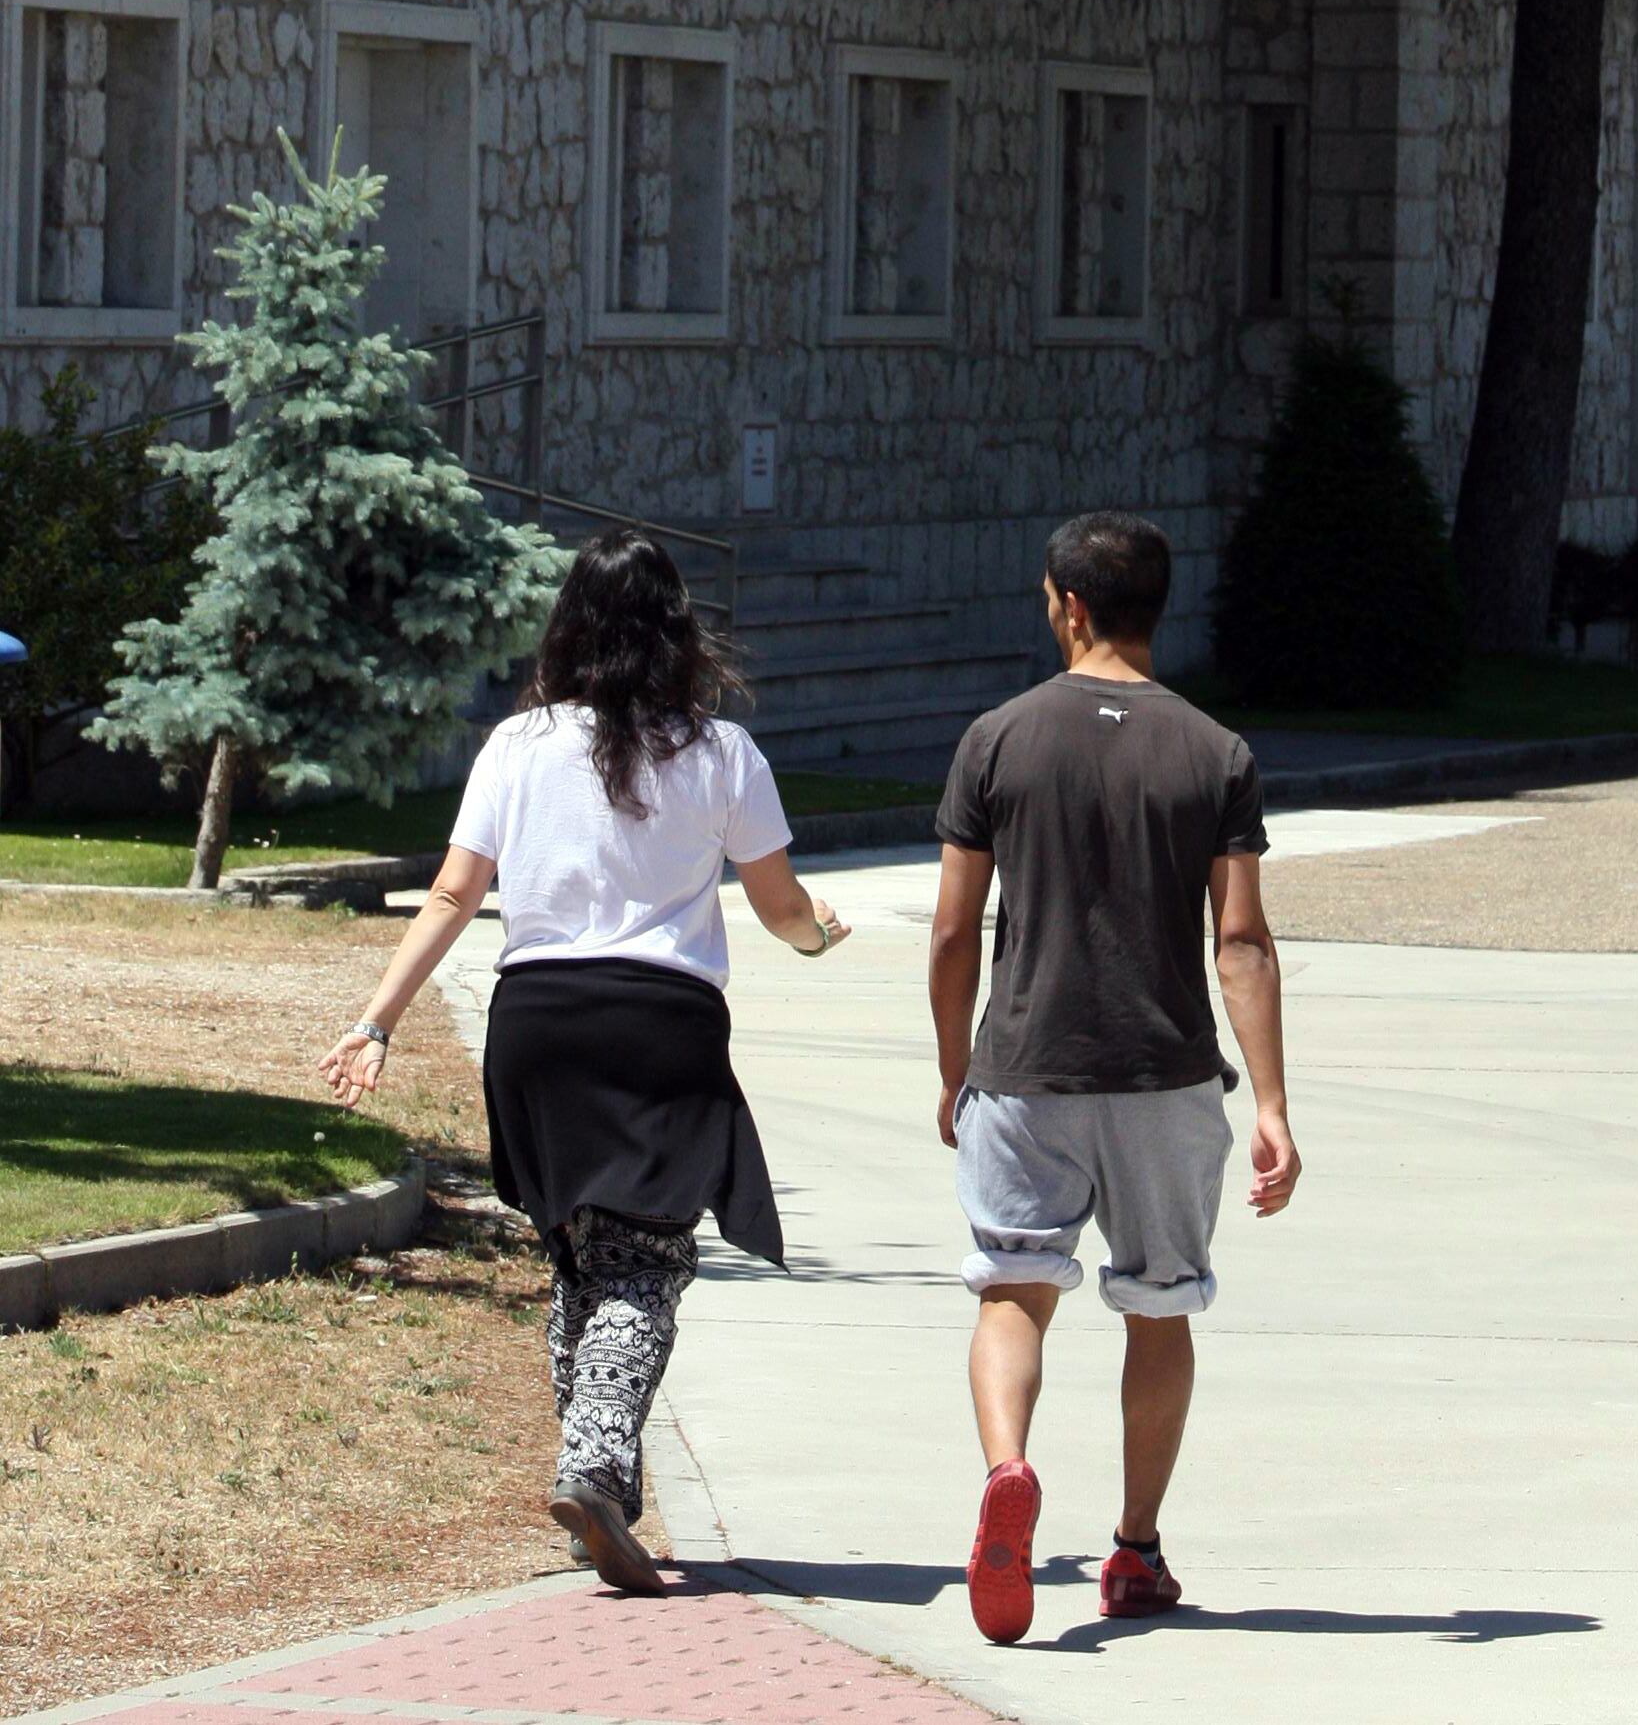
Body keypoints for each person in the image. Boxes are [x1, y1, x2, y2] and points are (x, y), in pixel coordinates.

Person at [319, 528, 848, 1593]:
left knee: (580, 1258)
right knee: (645, 1262)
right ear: (676, 632)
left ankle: (594, 1514)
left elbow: (454, 896)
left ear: (568, 625)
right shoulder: (720, 753)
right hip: (660, 1027)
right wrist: (819, 933)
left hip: (538, 1024)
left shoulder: (516, 746)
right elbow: (782, 903)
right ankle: (595, 1464)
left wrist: (377, 1021)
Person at [929, 508, 1299, 1644]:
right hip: (1166, 1075)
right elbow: (1240, 939)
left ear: (1071, 605)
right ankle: (1135, 1551)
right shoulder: (1215, 751)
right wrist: (1274, 1102)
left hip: (1027, 1067)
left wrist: (957, 1070)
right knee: (1160, 1309)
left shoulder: (996, 738)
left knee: (1013, 1289)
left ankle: (1009, 1472)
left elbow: (952, 933)